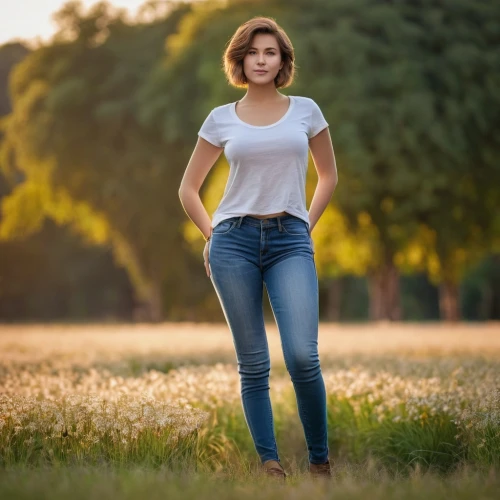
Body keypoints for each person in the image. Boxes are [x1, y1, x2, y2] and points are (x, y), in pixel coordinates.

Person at [178, 16, 337, 480]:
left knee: (303, 356)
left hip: (291, 239)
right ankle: (269, 463)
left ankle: (319, 460)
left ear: (283, 60)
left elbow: (328, 175)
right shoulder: (220, 118)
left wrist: (305, 226)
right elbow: (188, 189)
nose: (261, 60)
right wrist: (213, 236)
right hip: (233, 242)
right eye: (253, 52)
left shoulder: (307, 110)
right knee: (253, 363)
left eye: (270, 52)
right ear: (240, 60)